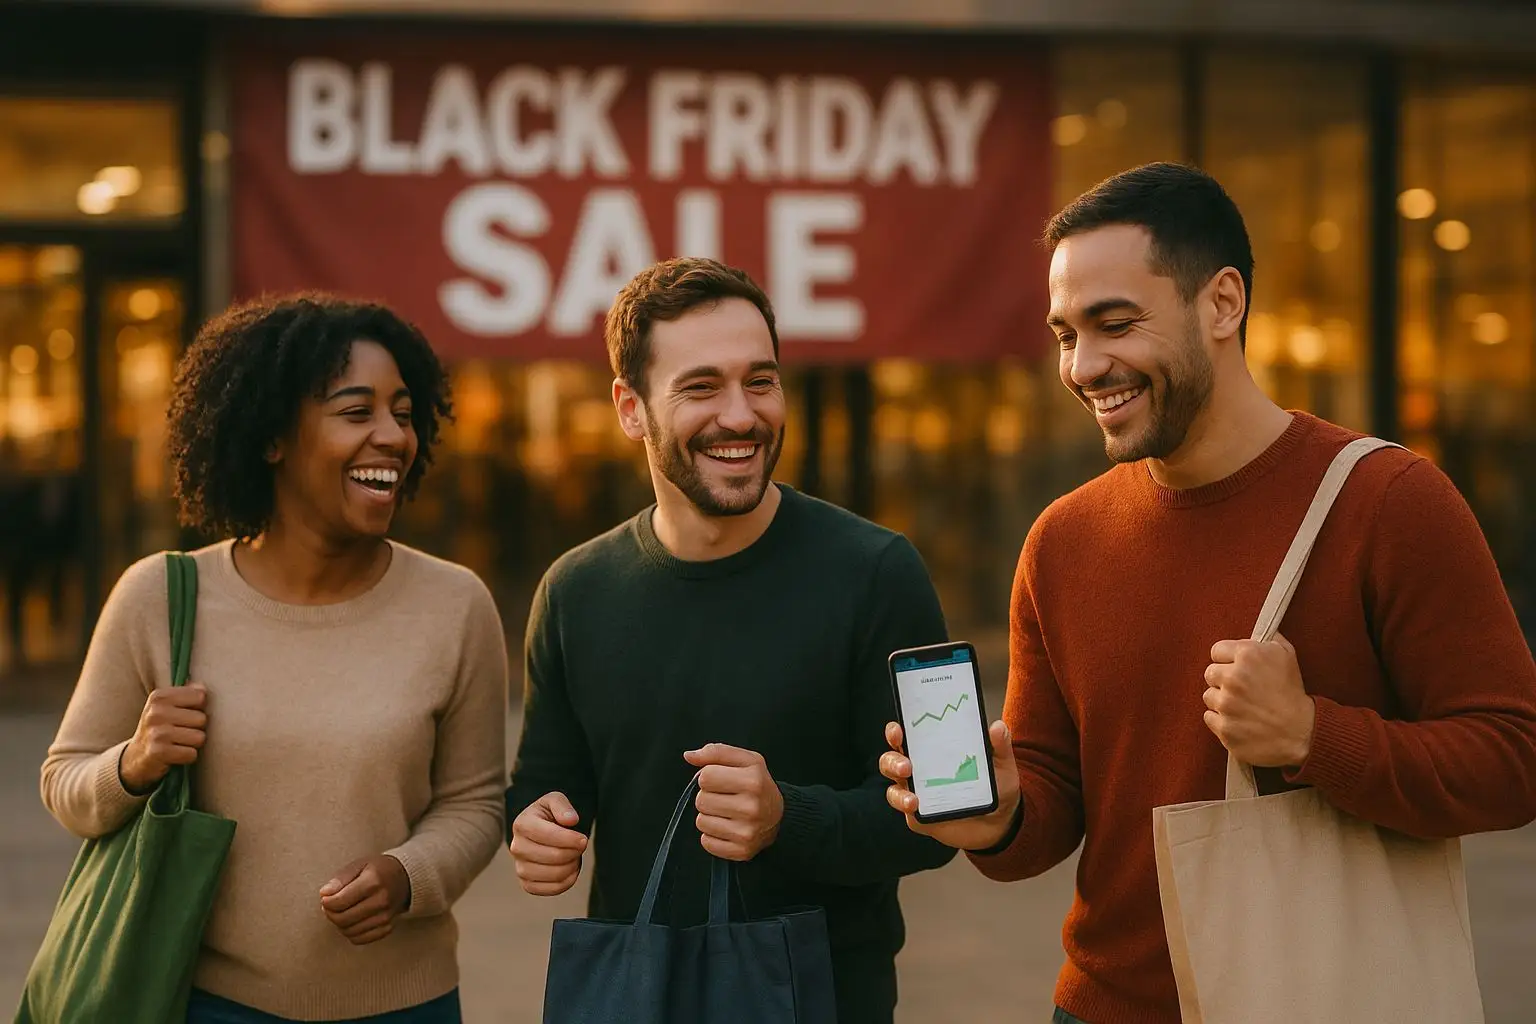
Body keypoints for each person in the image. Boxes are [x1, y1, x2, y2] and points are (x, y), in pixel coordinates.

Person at [878, 162, 1536, 1023]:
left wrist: (1313, 735)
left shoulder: (1388, 501)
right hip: (1103, 1007)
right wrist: (997, 816)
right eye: (1066, 333)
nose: (1085, 365)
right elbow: (1050, 813)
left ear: (1223, 304)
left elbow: (1514, 761)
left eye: (1115, 323)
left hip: (1324, 1000)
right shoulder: (1061, 541)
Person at [505, 257, 957, 1023]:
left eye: (761, 380)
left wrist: (789, 818)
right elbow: (549, 783)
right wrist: (536, 829)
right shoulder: (573, 590)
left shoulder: (879, 572)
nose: (742, 416)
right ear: (630, 406)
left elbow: (943, 815)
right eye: (701, 386)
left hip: (825, 1001)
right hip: (633, 997)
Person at [40, 294, 509, 1023]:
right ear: (271, 438)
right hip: (207, 1003)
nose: (392, 436)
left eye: (404, 413)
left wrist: (407, 875)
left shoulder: (454, 605)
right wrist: (135, 761)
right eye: (357, 412)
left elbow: (476, 805)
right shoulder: (159, 596)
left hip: (404, 1005)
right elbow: (65, 782)